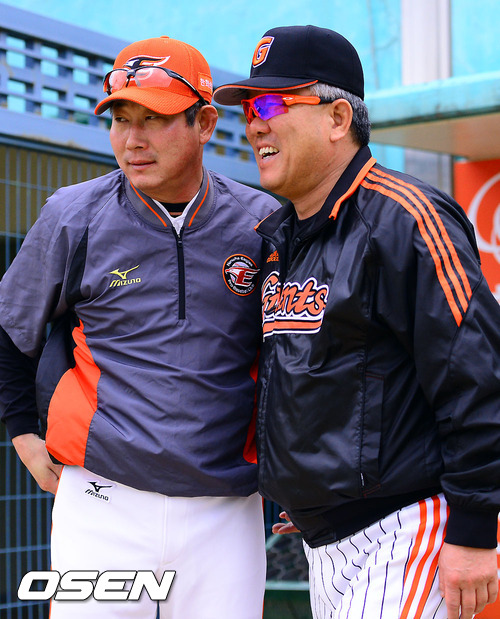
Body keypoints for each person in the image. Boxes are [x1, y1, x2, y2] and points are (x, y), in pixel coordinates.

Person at [213, 24, 500, 619]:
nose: (254, 124)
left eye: (271, 105)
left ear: (338, 118)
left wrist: (474, 529)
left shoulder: (406, 217)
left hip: (406, 531)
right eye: (248, 109)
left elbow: (479, 378)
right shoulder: (281, 237)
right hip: (324, 541)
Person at [0, 35, 279, 618]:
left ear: (205, 123)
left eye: (154, 118)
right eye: (121, 119)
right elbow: (9, 329)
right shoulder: (72, 215)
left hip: (227, 504)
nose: (132, 140)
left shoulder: (263, 223)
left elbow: (298, 354)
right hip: (102, 498)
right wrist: (22, 432)